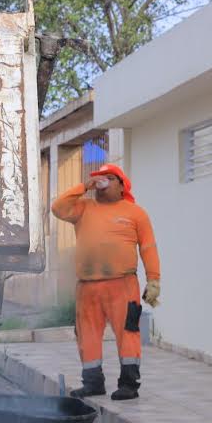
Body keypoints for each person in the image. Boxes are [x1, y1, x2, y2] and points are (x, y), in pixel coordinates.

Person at [51, 163, 160, 401]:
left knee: (128, 333)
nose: (103, 183)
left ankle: (129, 385)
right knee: (87, 336)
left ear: (122, 186)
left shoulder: (136, 213)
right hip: (87, 286)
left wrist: (154, 281)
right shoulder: (83, 208)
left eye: (110, 178)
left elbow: (149, 248)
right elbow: (57, 208)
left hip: (123, 284)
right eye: (100, 178)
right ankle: (93, 383)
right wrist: (83, 186)